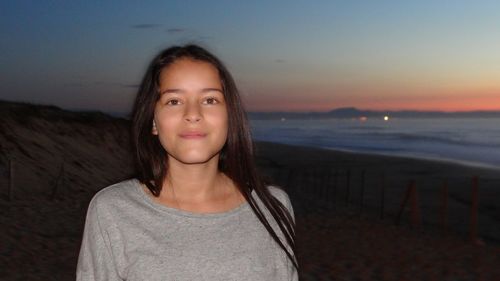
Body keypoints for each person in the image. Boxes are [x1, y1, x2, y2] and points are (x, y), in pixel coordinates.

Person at [76, 44, 298, 280]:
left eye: (210, 100)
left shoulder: (272, 206)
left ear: (230, 116)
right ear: (153, 121)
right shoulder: (113, 210)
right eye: (174, 101)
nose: (193, 114)